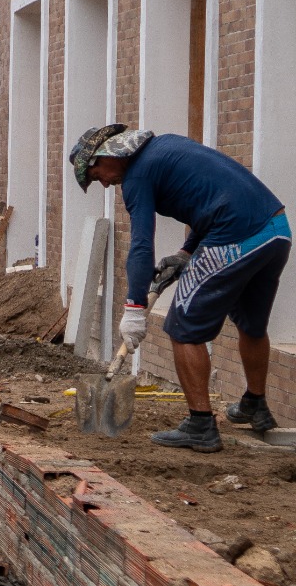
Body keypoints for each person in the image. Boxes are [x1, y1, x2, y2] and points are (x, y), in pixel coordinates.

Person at [68, 124, 289, 452]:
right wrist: (186, 253)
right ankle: (255, 405)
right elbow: (212, 203)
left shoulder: (137, 176)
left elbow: (141, 244)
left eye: (95, 173)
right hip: (275, 230)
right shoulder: (166, 148)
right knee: (251, 323)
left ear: (106, 155)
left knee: (182, 327)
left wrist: (134, 307)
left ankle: (200, 425)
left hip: (237, 235)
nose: (102, 182)